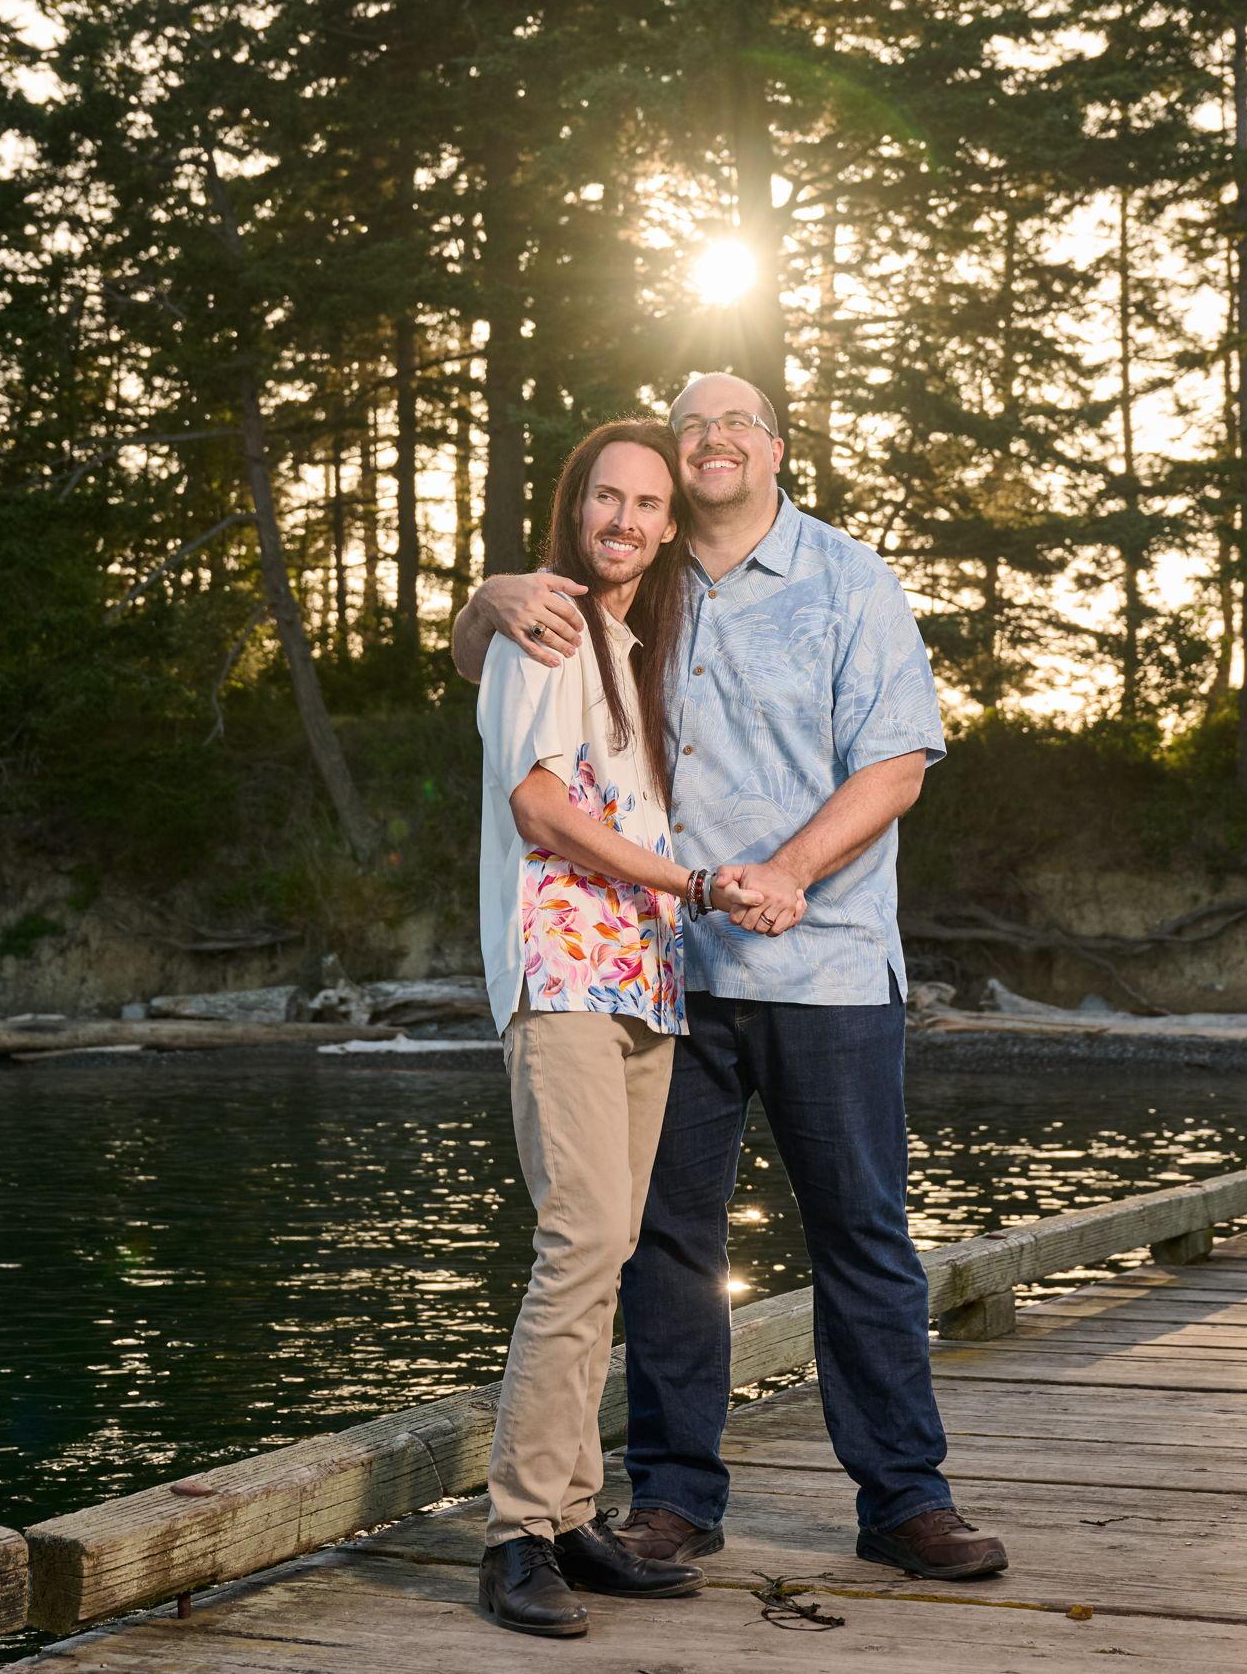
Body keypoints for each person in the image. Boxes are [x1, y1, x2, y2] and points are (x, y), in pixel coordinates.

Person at [454, 372, 1010, 1585]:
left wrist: (783, 872)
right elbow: (505, 672)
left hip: (824, 957)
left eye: (734, 422)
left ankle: (904, 1499)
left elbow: (899, 762)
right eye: (688, 421)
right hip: (670, 970)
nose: (710, 439)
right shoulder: (633, 586)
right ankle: (670, 1499)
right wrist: (482, 598)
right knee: (663, 1243)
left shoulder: (846, 579)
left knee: (860, 1233)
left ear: (774, 450)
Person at [473, 418, 763, 1640]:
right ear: (572, 509)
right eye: (606, 499)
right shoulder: (542, 619)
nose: (626, 521)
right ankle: (512, 1536)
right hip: (560, 975)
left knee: (615, 1246)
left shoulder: (629, 646)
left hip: (640, 983)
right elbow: (538, 807)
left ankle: (574, 1514)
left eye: (646, 504)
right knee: (581, 1240)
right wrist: (688, 882)